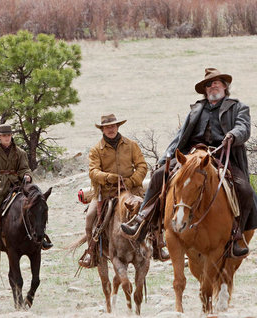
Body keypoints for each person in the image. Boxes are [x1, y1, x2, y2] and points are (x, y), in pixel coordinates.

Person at [121, 68, 257, 257]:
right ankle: (142, 220)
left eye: (216, 82)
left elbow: (243, 127)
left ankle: (236, 235)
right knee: (160, 175)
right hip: (192, 155)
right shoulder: (197, 109)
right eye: (208, 84)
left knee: (245, 190)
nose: (212, 86)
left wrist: (233, 135)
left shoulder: (238, 107)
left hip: (222, 155)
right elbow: (180, 136)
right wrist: (165, 158)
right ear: (205, 90)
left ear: (225, 86)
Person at [79, 113, 149, 268]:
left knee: (150, 212)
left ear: (118, 126)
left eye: (112, 126)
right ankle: (91, 251)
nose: (110, 129)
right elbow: (93, 172)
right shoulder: (96, 149)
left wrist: (131, 181)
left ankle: (157, 245)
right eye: (107, 127)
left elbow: (142, 166)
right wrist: (109, 177)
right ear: (102, 130)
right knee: (90, 218)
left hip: (131, 191)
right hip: (107, 192)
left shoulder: (131, 145)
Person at [0, 124, 53, 253]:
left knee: (37, 204)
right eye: (4, 135)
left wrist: (27, 176)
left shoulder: (20, 152)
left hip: (17, 183)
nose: (7, 138)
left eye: (8, 135)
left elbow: (25, 168)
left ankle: (42, 235)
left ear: (11, 136)